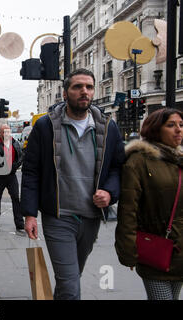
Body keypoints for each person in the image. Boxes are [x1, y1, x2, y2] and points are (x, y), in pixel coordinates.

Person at [21, 68, 125, 300]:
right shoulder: (45, 126)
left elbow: (118, 167)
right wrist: (29, 214)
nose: (84, 92)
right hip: (58, 217)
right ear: (65, 93)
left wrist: (110, 192)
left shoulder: (109, 127)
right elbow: (31, 171)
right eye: (77, 87)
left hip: (90, 217)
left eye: (88, 87)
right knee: (69, 285)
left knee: (71, 277)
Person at [115, 108, 183, 300]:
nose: (178, 130)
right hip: (155, 248)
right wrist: (128, 251)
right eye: (171, 125)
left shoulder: (179, 160)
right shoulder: (139, 161)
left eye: (181, 125)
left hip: (180, 250)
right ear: (155, 129)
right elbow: (128, 210)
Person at [0, 124, 24, 231]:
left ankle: (19, 222)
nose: (6, 134)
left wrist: (15, 166)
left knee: (16, 198)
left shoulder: (15, 143)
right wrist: (1, 166)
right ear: (0, 133)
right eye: (4, 132)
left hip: (11, 175)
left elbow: (21, 156)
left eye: (8, 131)